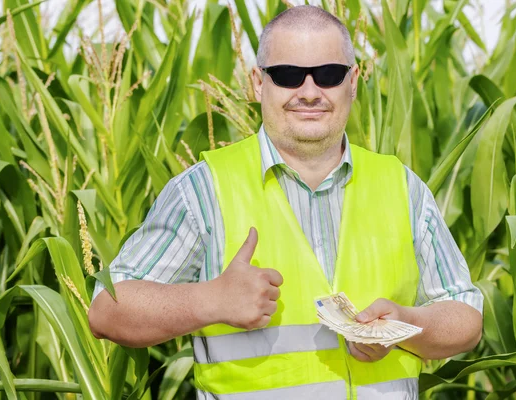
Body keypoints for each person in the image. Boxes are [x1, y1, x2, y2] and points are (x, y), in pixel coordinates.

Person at [88, 5, 483, 399]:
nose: (309, 92)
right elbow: (108, 309)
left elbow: (466, 315)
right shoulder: (203, 189)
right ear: (258, 83)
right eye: (289, 76)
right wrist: (209, 300)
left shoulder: (403, 186)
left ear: (354, 81)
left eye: (328, 75)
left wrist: (408, 325)